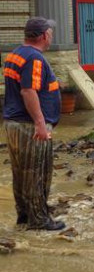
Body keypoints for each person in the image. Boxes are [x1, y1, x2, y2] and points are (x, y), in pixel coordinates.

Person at [3, 17, 65, 231]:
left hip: (13, 124)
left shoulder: (16, 54)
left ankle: (24, 216)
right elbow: (28, 91)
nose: (52, 37)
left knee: (21, 172)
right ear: (43, 36)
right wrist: (40, 123)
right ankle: (39, 220)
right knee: (37, 172)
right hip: (30, 126)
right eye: (50, 33)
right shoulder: (34, 58)